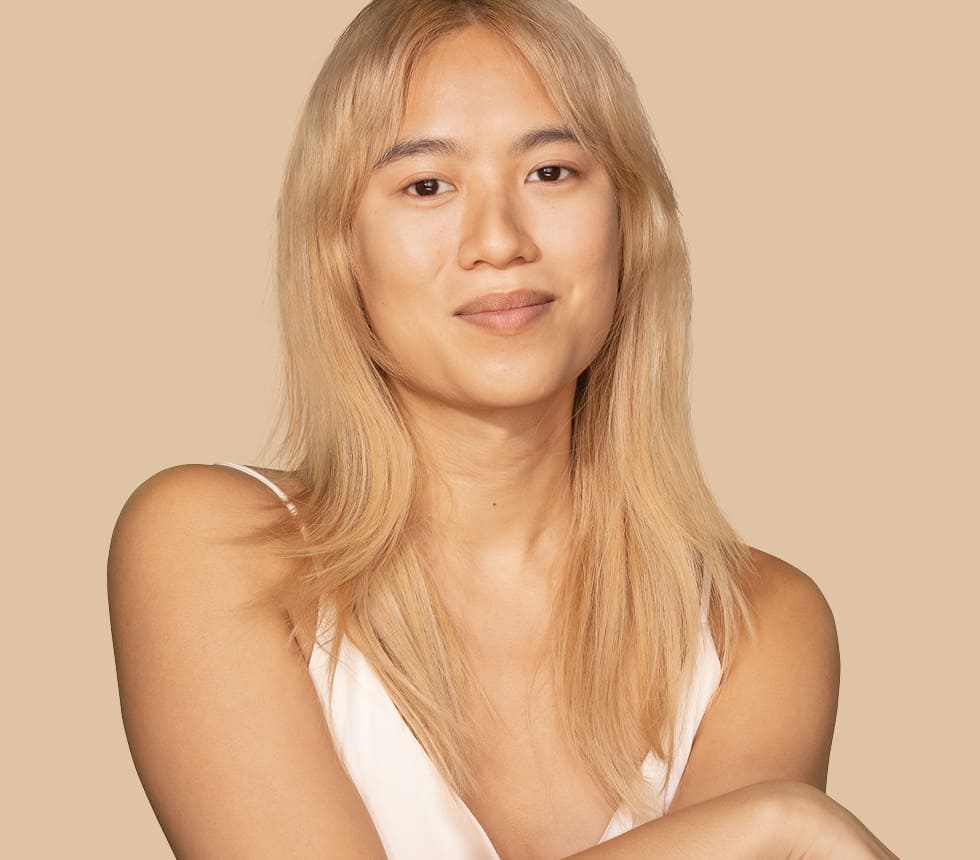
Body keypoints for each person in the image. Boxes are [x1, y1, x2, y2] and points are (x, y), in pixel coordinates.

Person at [107, 1, 899, 857]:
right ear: (344, 253)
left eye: (552, 172)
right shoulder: (212, 545)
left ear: (628, 223)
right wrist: (777, 822)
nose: (498, 240)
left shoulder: (761, 628)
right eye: (426, 186)